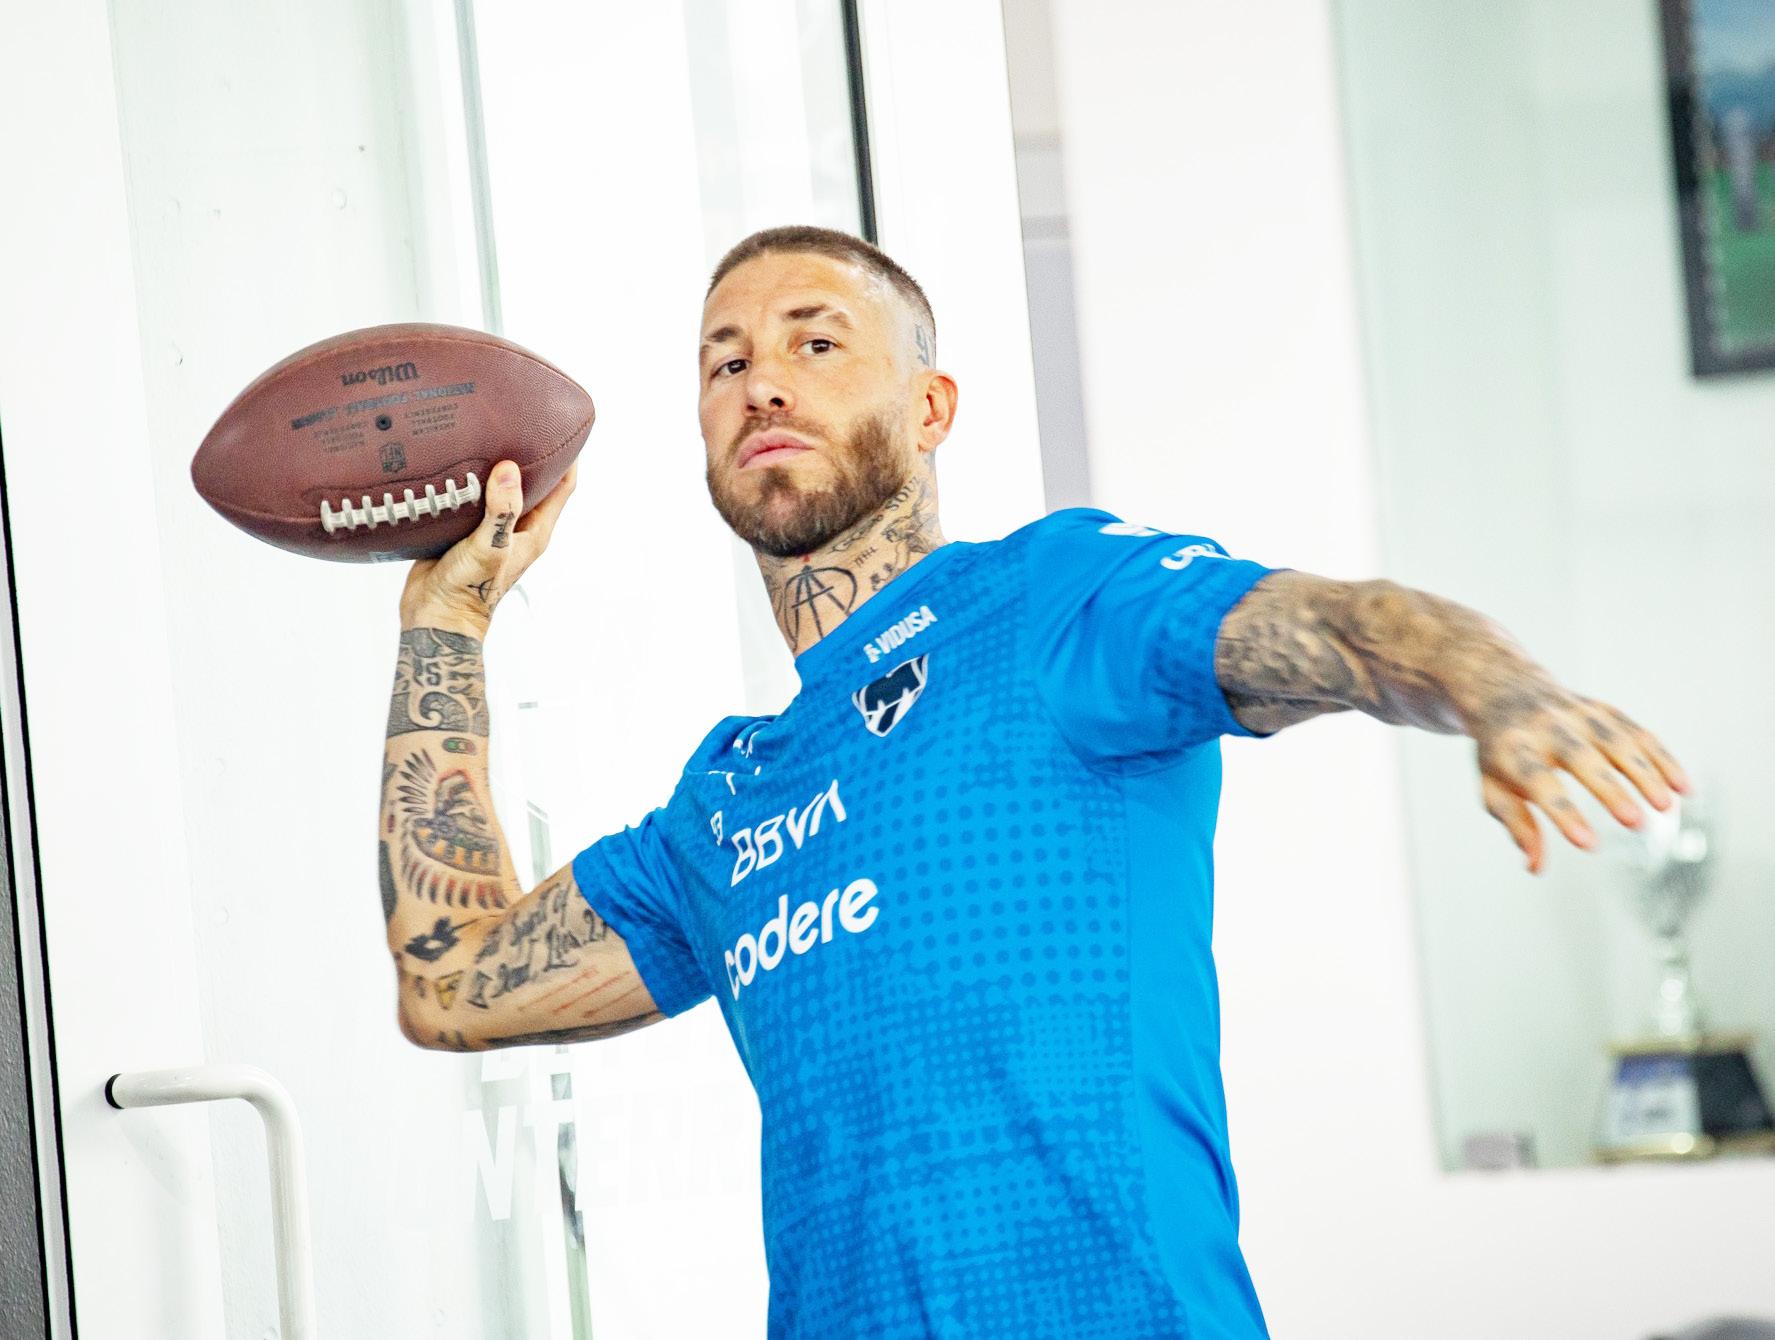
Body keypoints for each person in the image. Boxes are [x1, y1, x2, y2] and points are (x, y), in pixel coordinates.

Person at [379, 225, 1687, 1338]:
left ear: (931, 408)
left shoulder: (1054, 605)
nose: (762, 381)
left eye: (815, 343)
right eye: (726, 363)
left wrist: (1499, 692)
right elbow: (452, 983)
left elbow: (1343, 625)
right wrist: (446, 624)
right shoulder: (728, 805)